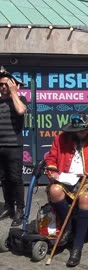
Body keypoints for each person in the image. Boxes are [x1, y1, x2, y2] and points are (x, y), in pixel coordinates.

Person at [45, 114, 88, 266]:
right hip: (66, 176)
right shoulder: (61, 138)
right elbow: (51, 158)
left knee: (85, 198)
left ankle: (77, 248)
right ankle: (69, 227)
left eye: (80, 131)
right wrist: (53, 171)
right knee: (54, 190)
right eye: (74, 130)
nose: (76, 134)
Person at [0, 67, 27, 227]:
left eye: (6, 85)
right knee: (4, 179)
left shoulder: (20, 99)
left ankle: (20, 210)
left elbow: (20, 110)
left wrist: (13, 92)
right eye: (1, 85)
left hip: (13, 147)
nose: (4, 87)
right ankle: (9, 207)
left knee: (15, 179)